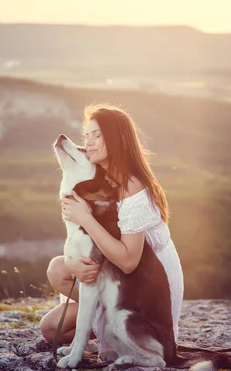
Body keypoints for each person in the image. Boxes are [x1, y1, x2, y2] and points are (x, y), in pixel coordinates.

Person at [39, 103, 184, 359]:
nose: (89, 142)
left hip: (143, 283)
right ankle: (102, 326)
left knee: (60, 320)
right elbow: (87, 243)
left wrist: (85, 217)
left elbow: (129, 262)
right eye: (87, 135)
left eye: (97, 135)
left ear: (116, 140)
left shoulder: (131, 185)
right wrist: (75, 265)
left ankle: (137, 338)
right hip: (109, 265)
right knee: (52, 321)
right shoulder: (99, 176)